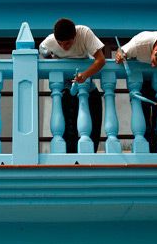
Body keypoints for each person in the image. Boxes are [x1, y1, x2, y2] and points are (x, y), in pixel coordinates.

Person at [39, 18, 106, 153]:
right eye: (60, 43)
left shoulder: (84, 33)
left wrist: (85, 75)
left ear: (75, 35)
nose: (64, 47)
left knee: (93, 127)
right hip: (67, 91)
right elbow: (42, 49)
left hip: (87, 89)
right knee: (68, 132)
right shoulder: (49, 41)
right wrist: (52, 59)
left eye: (68, 43)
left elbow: (101, 60)